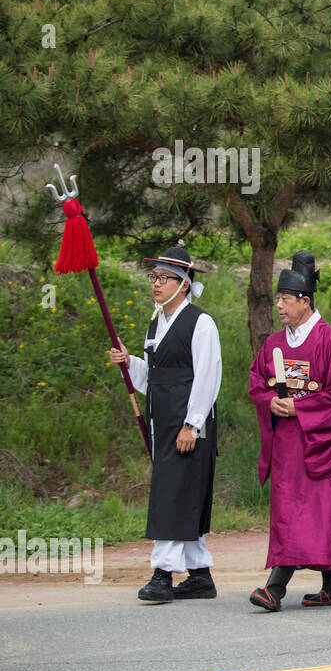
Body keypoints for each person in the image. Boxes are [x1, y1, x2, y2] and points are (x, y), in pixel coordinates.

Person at [109, 242, 221, 603]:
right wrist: (129, 363)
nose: (156, 284)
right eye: (154, 277)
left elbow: (208, 376)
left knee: (172, 495)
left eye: (165, 278)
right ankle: (201, 575)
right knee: (182, 495)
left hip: (189, 425)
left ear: (184, 283)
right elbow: (152, 377)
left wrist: (193, 424)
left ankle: (162, 574)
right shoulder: (155, 323)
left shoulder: (201, 323)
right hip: (164, 422)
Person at [248, 252, 331, 611]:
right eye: (277, 298)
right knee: (290, 511)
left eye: (285, 299)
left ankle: (275, 587)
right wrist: (271, 401)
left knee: (317, 512)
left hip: (318, 443)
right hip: (286, 446)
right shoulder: (273, 344)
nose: (278, 305)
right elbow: (256, 379)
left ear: (304, 301)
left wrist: (299, 406)